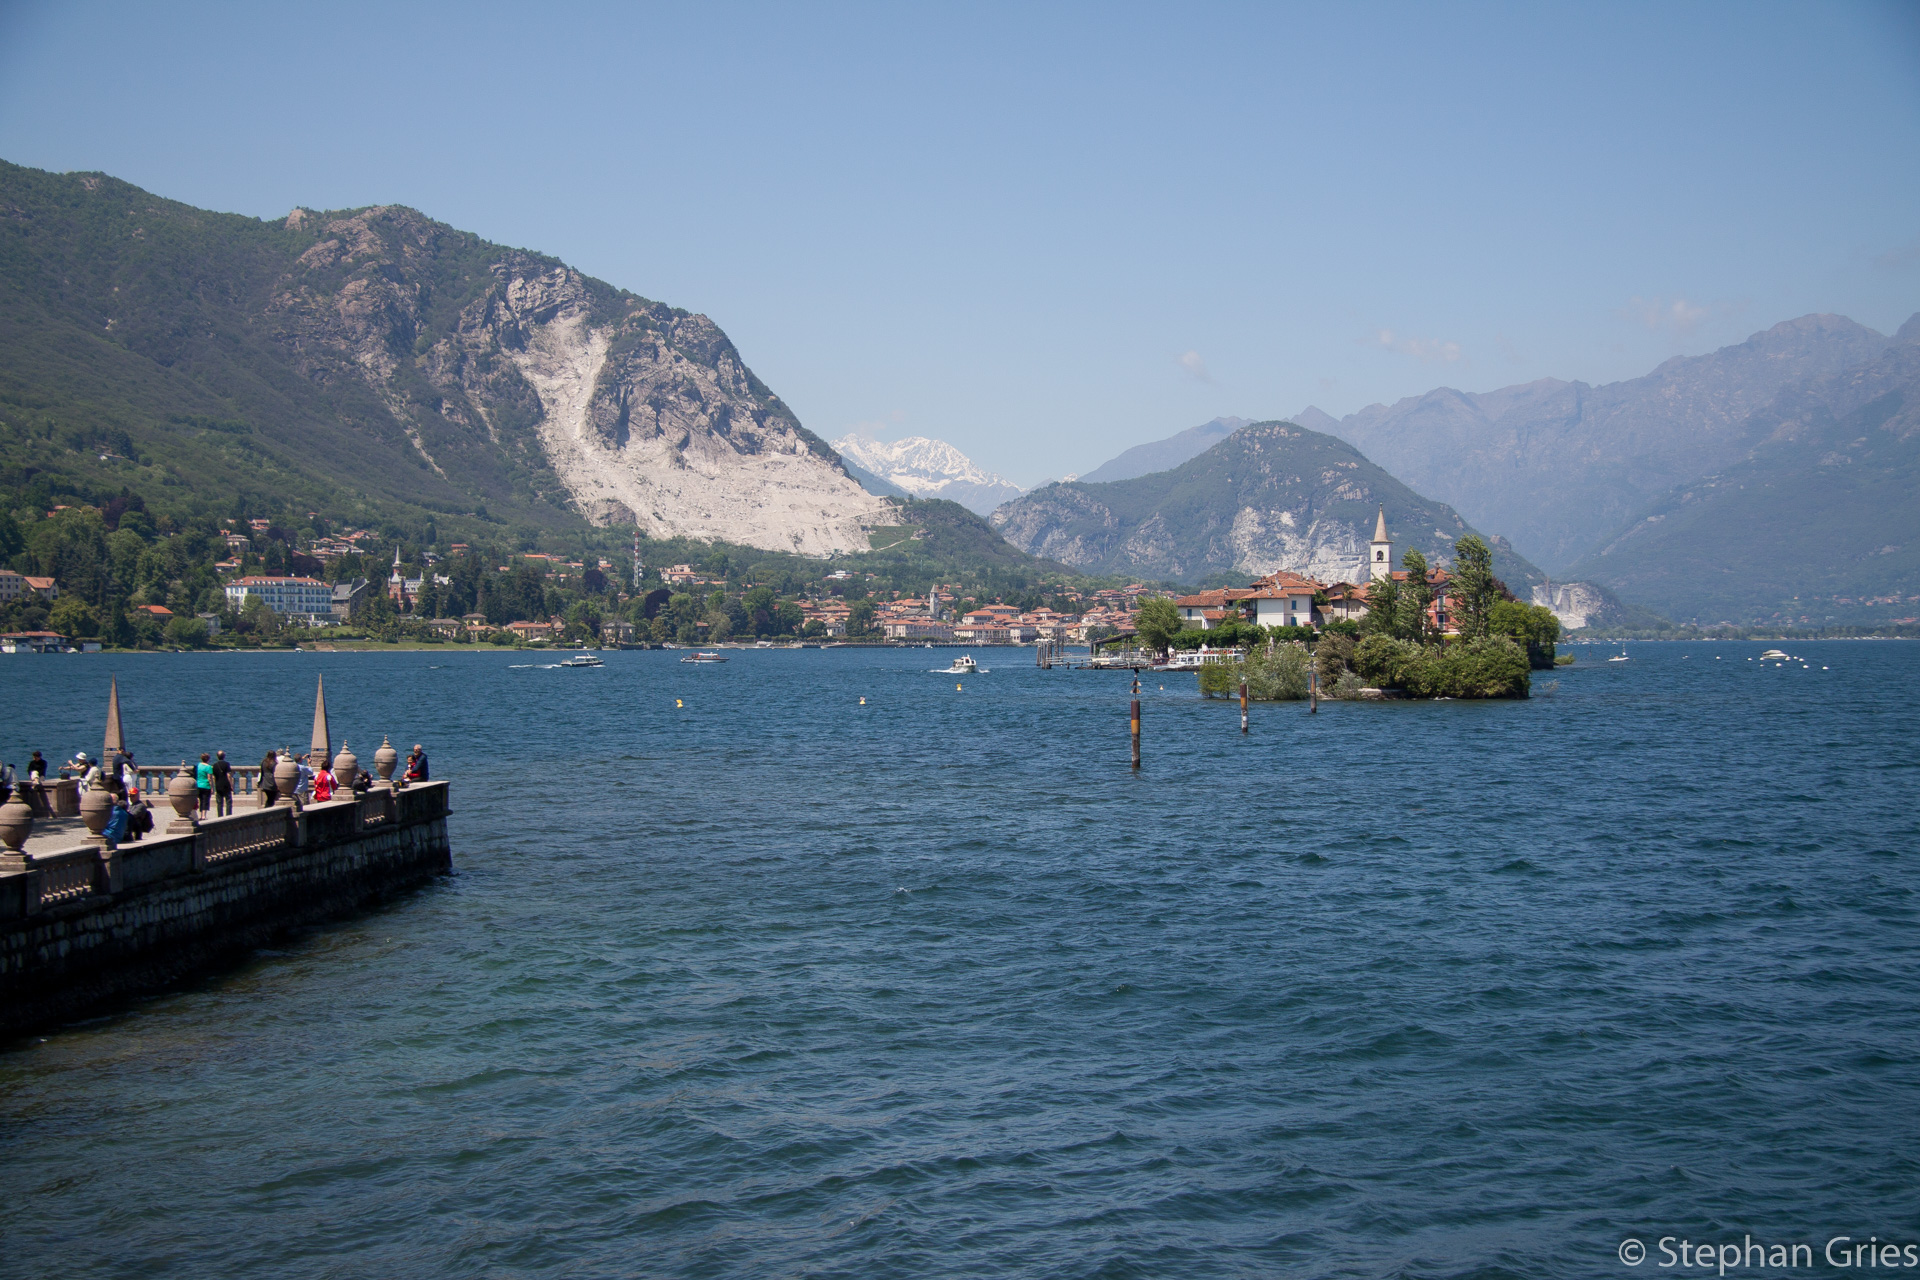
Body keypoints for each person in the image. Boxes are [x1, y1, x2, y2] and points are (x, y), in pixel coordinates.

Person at [210, 750, 233, 816]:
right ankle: (228, 815)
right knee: (228, 801)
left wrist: (214, 786)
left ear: (217, 757)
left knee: (219, 802)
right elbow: (228, 775)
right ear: (224, 756)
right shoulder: (226, 764)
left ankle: (220, 815)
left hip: (218, 785)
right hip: (226, 784)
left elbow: (213, 777)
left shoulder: (214, 765)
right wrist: (231, 784)